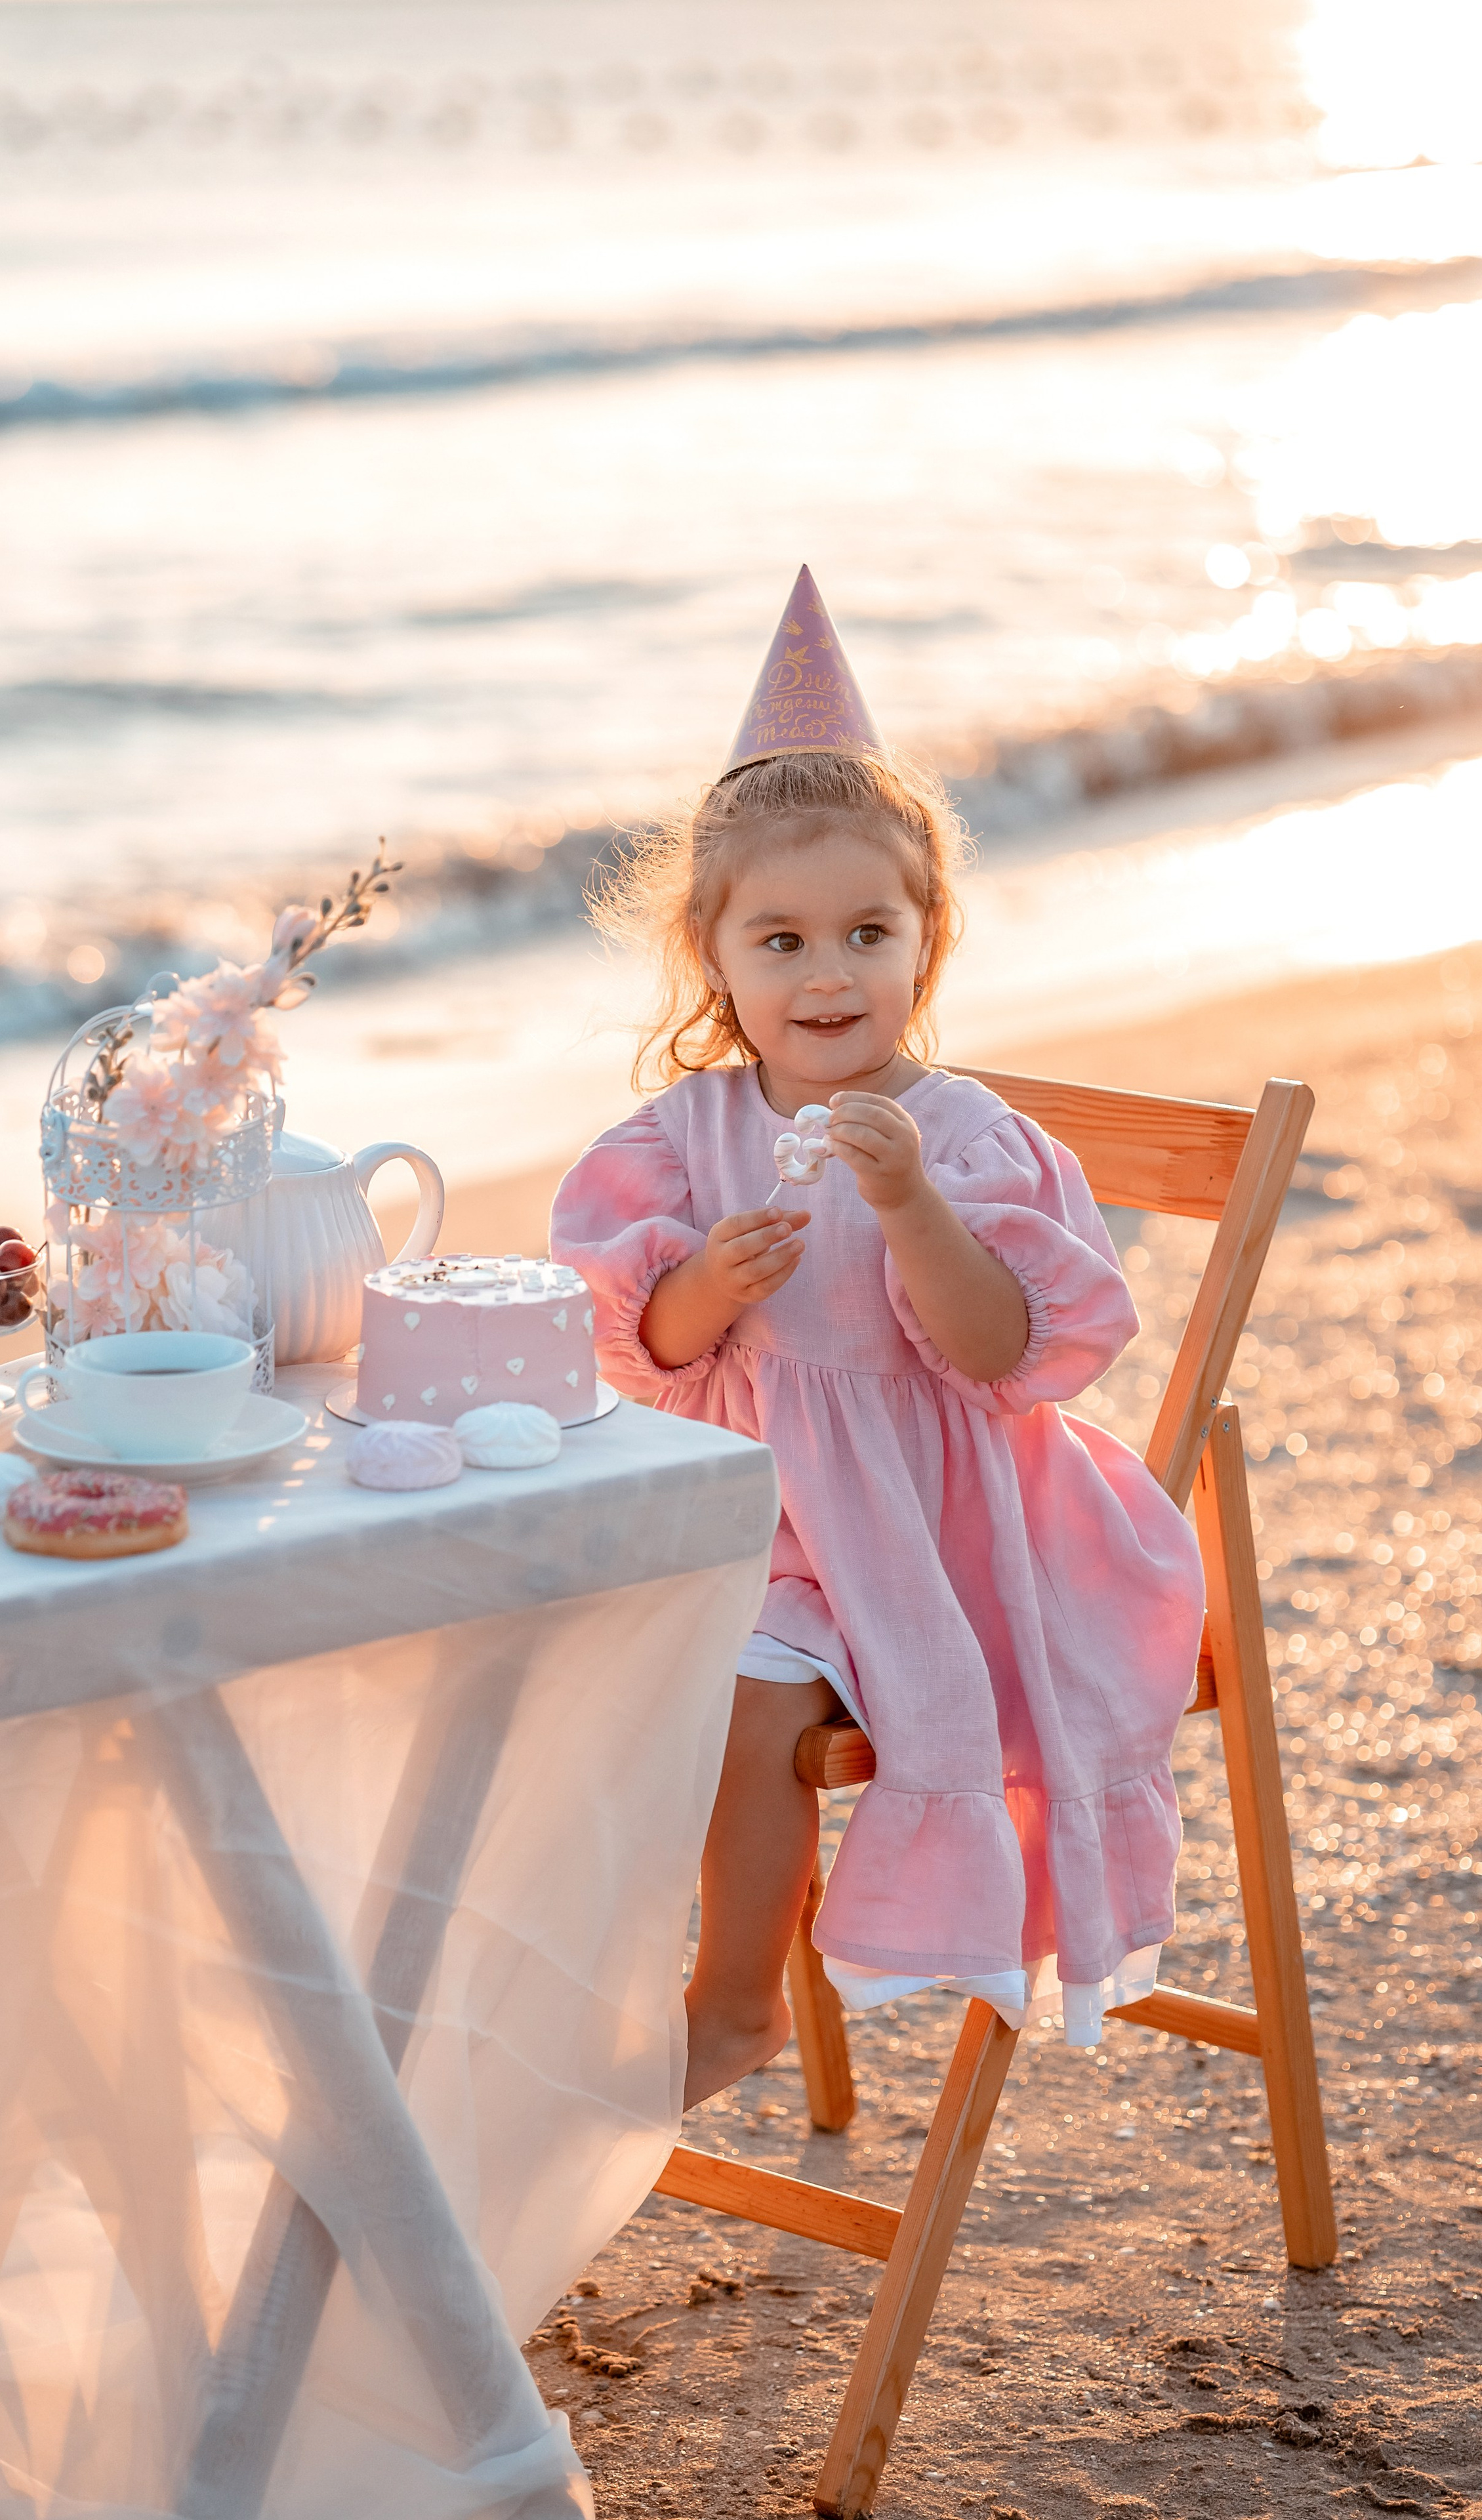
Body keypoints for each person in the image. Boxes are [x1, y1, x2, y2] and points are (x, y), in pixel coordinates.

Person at [550, 567, 1206, 2109]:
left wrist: (910, 1207)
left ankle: (731, 2005)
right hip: (747, 1506)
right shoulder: (680, 1136)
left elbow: (997, 1352)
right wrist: (707, 1282)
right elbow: (627, 1339)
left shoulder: (967, 1140)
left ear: (927, 940)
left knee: (745, 1692)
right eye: (777, 940)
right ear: (710, 956)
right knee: (549, 1648)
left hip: (937, 1532)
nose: (825, 971)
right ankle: (550, 1981)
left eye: (865, 931)